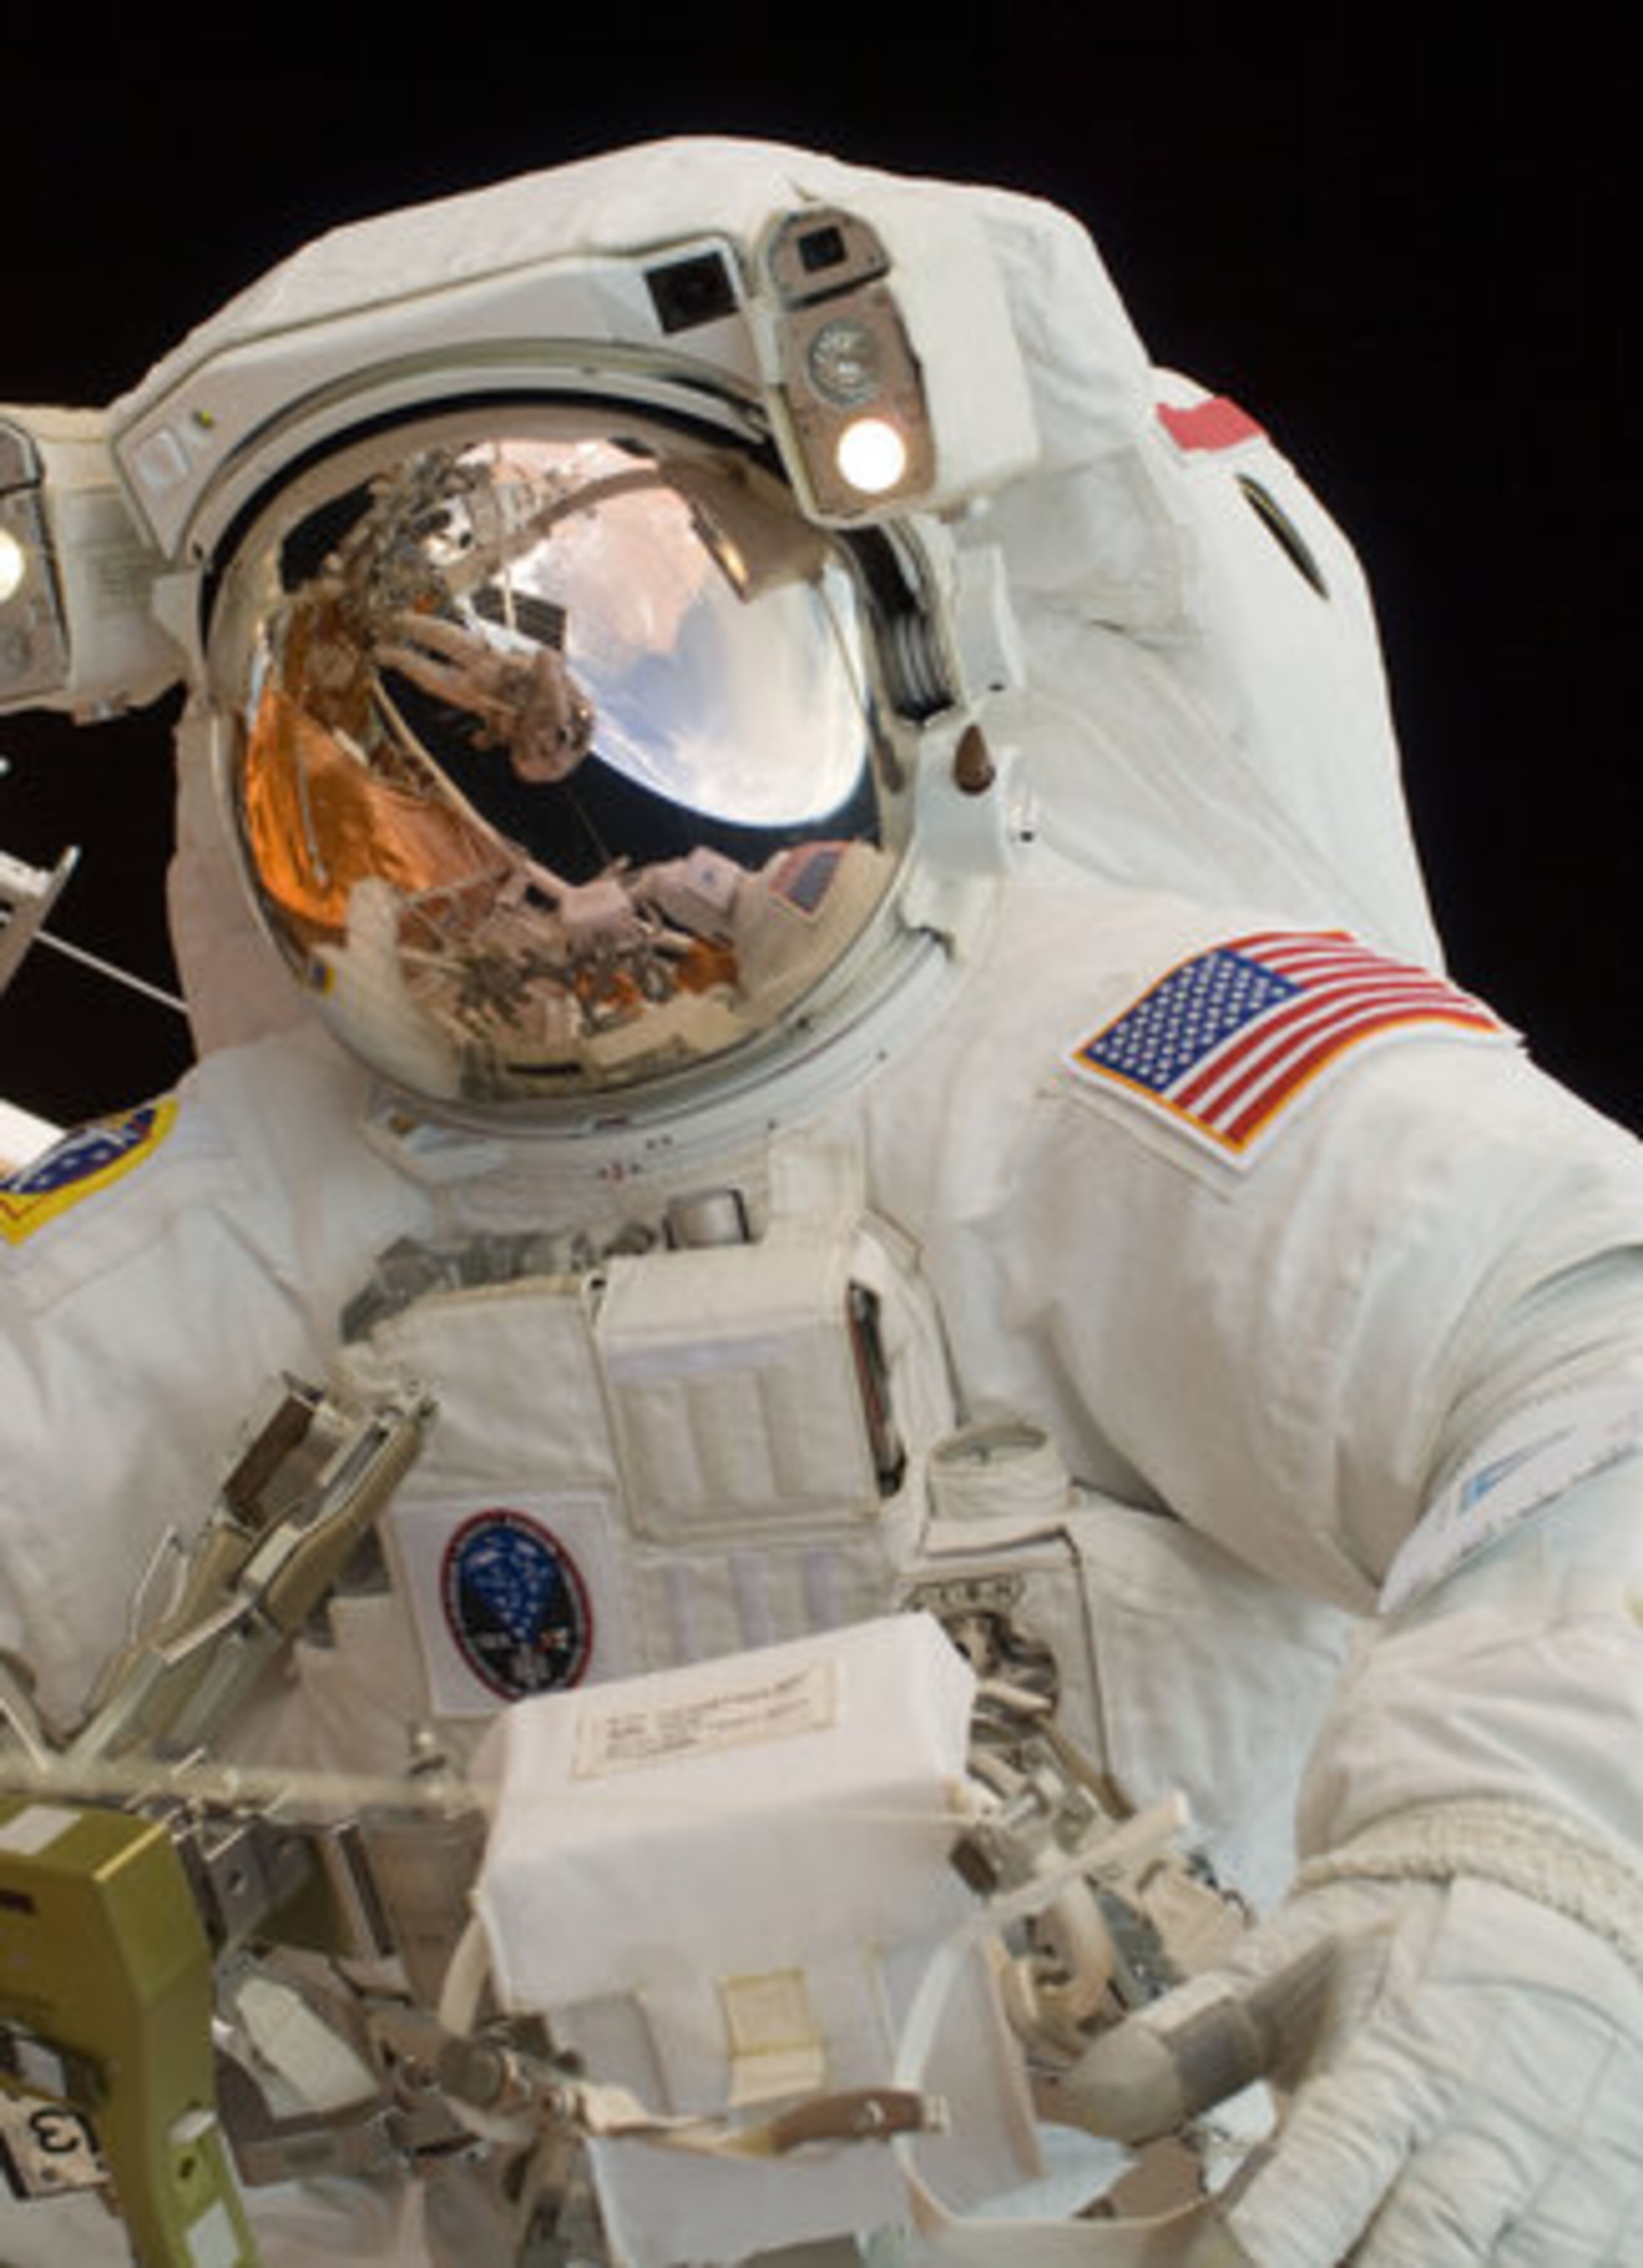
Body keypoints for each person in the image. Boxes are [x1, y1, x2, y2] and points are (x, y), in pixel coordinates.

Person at [1, 136, 1640, 2265]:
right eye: (397, 797)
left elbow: (1589, 1346)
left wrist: (1535, 1864)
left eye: (664, 655)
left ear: (911, 651)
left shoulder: (1096, 1061)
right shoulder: (243, 1216)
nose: (537, 900)